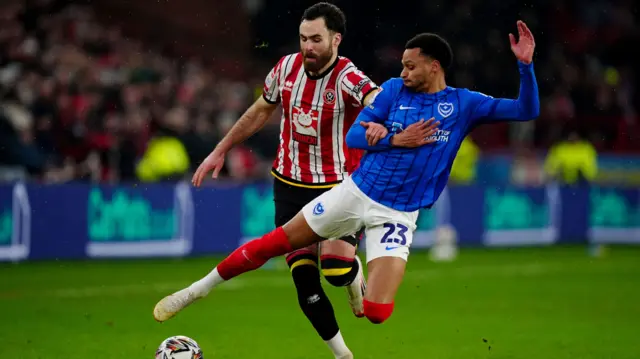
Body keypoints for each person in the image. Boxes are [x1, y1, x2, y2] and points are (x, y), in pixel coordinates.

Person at [154, 20, 538, 328]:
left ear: (433, 66)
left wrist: (525, 66)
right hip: (355, 193)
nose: (402, 72)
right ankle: (196, 290)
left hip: (398, 214)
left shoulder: (464, 104)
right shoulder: (391, 92)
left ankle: (356, 282)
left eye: (410, 65)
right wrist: (392, 140)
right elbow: (355, 135)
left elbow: (525, 110)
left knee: (376, 313)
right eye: (401, 65)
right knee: (275, 243)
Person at [184, 3, 380, 359]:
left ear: (336, 39)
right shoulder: (286, 68)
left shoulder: (347, 76)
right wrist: (221, 149)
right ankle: (343, 356)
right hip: (289, 186)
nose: (308, 46)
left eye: (316, 39)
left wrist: (384, 116)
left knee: (335, 269)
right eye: (304, 38)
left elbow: (374, 97)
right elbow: (261, 109)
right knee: (305, 283)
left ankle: (352, 280)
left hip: (337, 188)